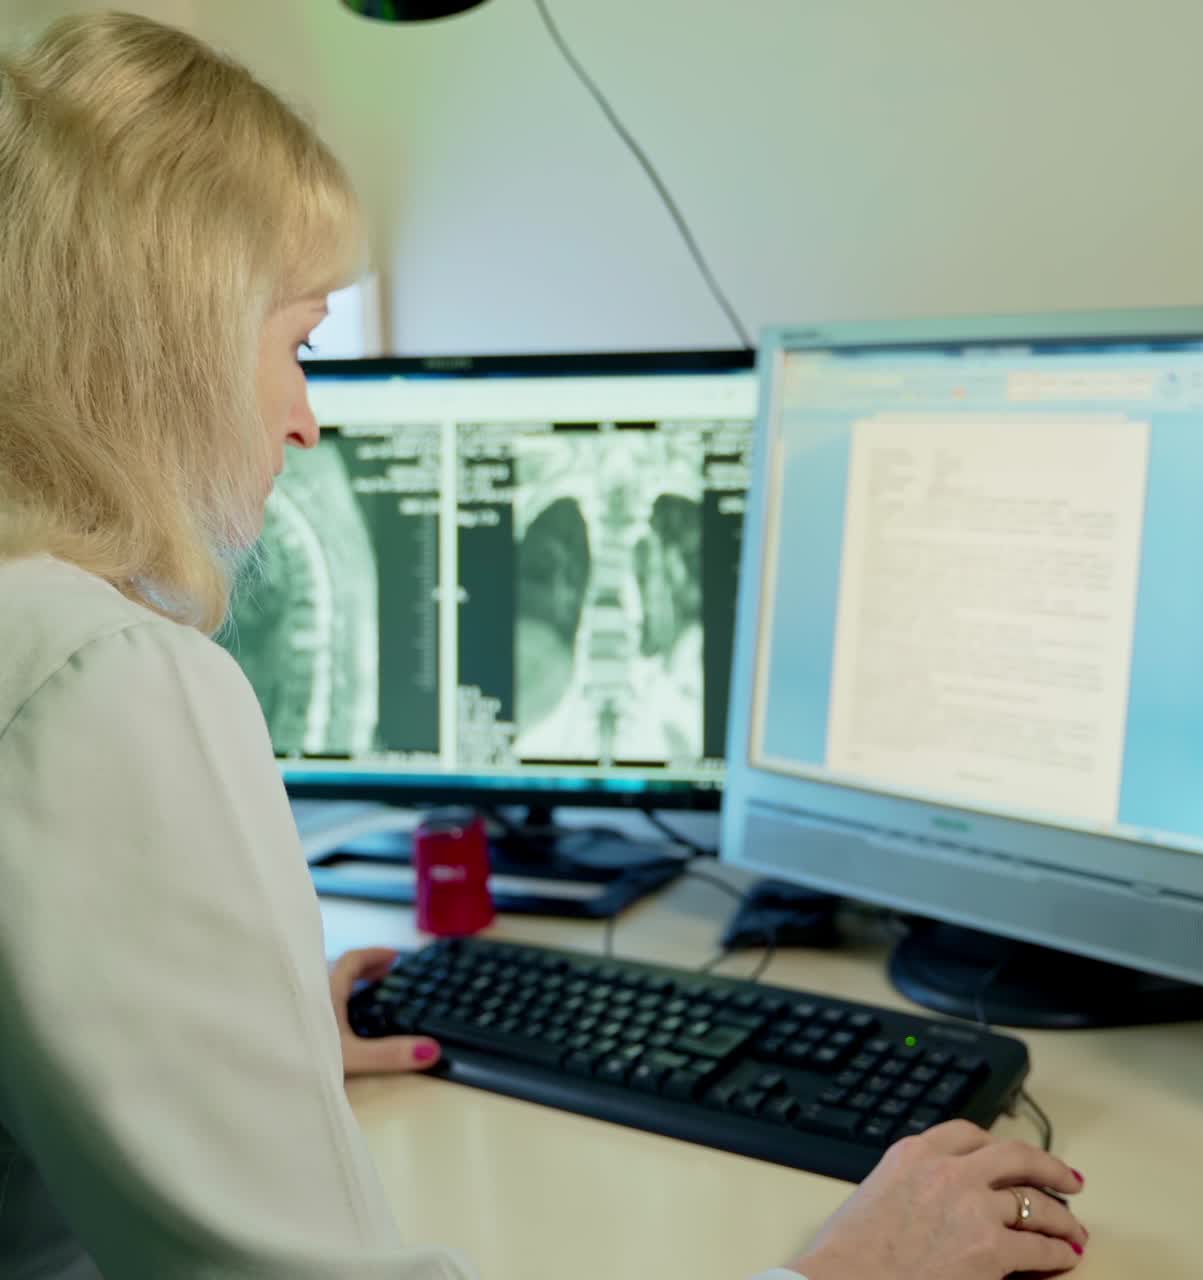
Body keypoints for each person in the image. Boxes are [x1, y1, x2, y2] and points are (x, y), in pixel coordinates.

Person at [0, 12, 1089, 1279]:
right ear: (170, 339)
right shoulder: (108, 683)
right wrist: (844, 1272)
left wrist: (244, 1059)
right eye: (297, 343)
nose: (305, 423)